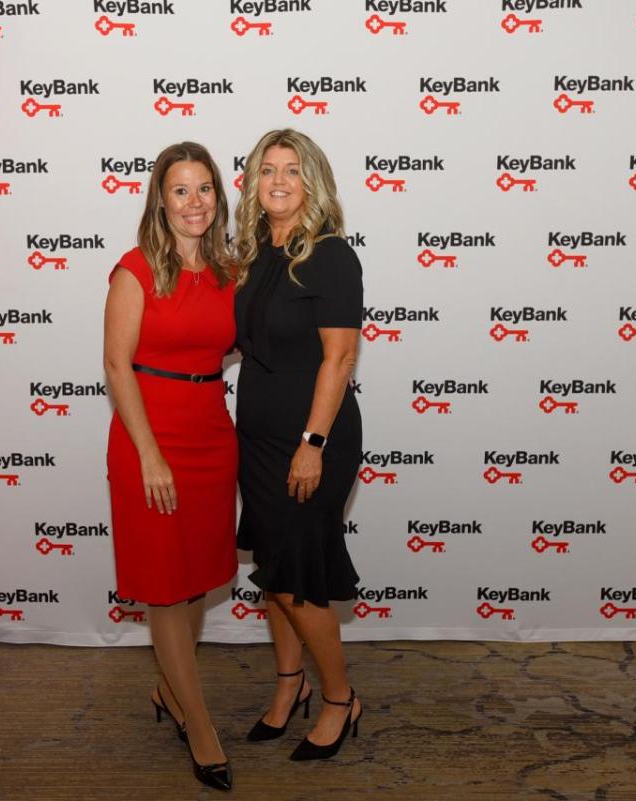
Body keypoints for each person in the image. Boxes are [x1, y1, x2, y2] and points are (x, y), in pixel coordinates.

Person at [103, 142, 238, 792]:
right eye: (181, 190)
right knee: (164, 581)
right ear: (161, 198)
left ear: (219, 197)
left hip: (213, 433)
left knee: (193, 579)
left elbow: (251, 340)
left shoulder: (227, 270)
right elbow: (115, 364)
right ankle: (200, 724)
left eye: (205, 189)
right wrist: (150, 453)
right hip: (149, 438)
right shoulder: (134, 269)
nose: (195, 202)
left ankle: (167, 687)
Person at [232, 129, 364, 761]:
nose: (278, 181)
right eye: (267, 170)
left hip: (313, 439)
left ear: (312, 181)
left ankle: (340, 699)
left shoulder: (331, 256)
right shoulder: (255, 252)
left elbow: (338, 360)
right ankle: (291, 687)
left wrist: (312, 443)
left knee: (297, 580)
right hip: (256, 439)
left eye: (292, 170)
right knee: (273, 575)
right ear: (253, 184)